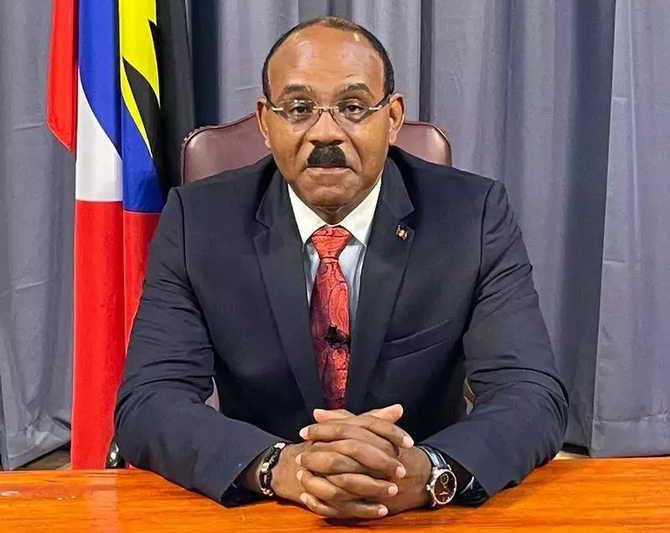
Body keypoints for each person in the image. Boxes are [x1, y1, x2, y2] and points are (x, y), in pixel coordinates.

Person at [115, 16, 568, 519]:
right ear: (266, 122)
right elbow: (150, 400)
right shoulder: (198, 222)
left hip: (424, 511)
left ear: (392, 118)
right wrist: (281, 467)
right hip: (266, 507)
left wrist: (428, 471)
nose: (325, 132)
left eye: (353, 107)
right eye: (299, 108)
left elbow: (530, 393)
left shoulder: (473, 215)